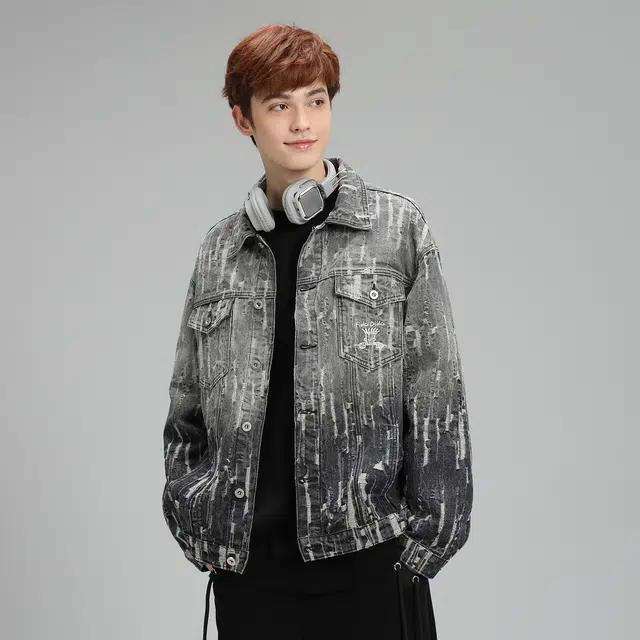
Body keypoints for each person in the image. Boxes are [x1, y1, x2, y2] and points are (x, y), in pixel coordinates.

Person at [161, 23, 473, 640]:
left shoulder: (395, 230)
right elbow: (185, 407)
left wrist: (423, 548)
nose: (302, 122)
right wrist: (197, 521)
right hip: (250, 571)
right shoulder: (220, 251)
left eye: (316, 100)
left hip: (371, 561)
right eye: (279, 105)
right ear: (243, 120)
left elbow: (437, 395)